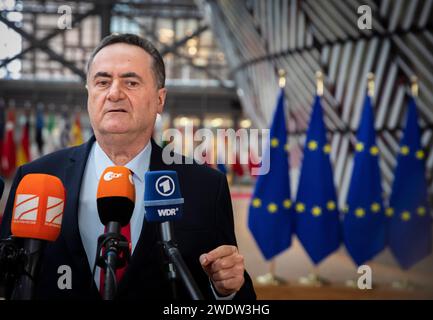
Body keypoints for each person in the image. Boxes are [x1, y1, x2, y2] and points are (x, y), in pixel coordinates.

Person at [0, 33, 256, 300]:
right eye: (102, 81)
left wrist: (225, 290)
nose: (114, 93)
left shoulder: (205, 187)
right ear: (89, 94)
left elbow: (238, 294)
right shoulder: (36, 178)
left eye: (131, 82)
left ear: (160, 99)